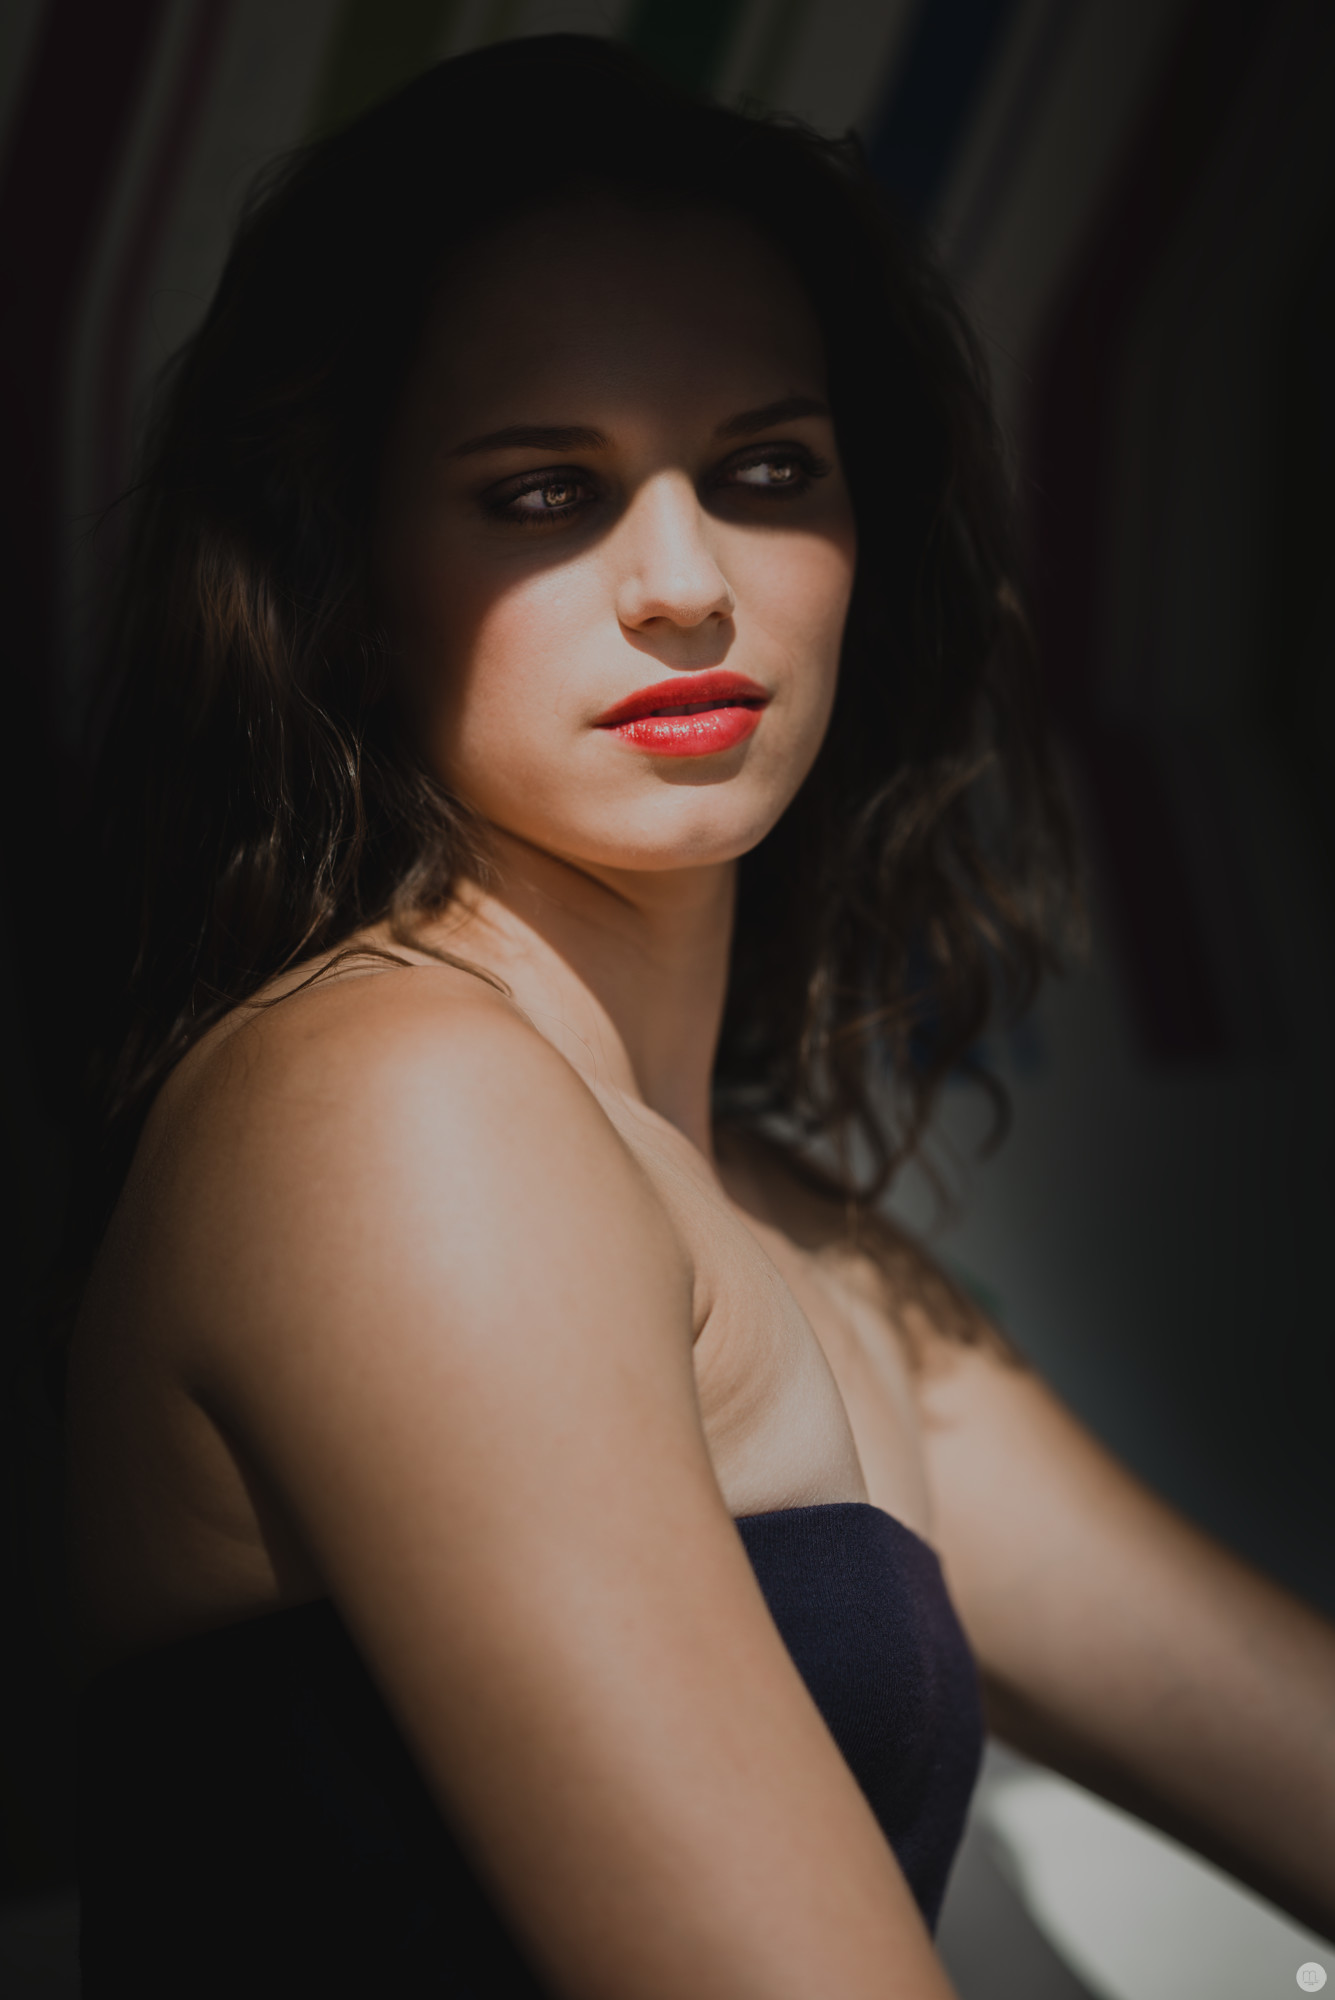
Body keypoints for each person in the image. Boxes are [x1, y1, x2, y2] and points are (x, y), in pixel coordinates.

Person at [66, 33, 1334, 1998]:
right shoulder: (388, 1109)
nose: (684, 582)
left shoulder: (789, 1238)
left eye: (764, 471)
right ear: (349, 576)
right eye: (542, 491)